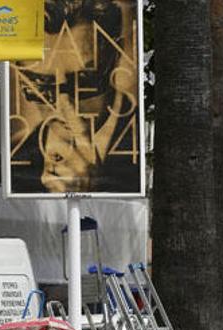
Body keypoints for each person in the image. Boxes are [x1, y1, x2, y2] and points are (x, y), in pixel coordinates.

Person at [9, 0, 140, 193]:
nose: (65, 107)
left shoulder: (147, 145)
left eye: (84, 81)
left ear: (115, 54)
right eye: (42, 85)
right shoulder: (12, 165)